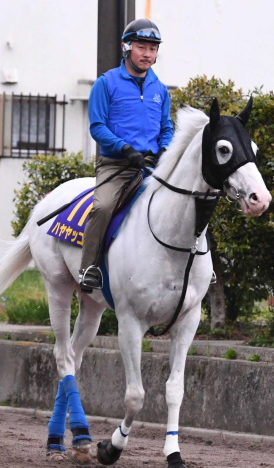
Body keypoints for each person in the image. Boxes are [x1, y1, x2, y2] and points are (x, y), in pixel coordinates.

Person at [79, 18, 174, 292]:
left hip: (154, 164)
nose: (147, 54)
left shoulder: (160, 89)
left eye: (153, 48)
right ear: (126, 47)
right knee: (104, 207)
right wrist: (126, 149)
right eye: (142, 47)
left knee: (189, 199)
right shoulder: (105, 84)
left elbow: (166, 128)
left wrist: (166, 148)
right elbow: (97, 127)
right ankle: (89, 268)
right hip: (117, 164)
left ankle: (201, 268)